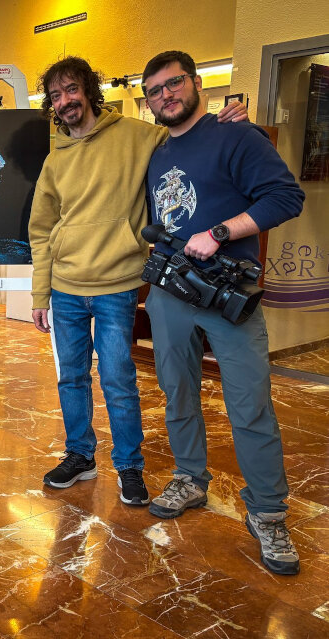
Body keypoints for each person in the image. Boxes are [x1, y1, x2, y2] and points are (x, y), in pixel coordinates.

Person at [28, 56, 246, 506]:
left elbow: (189, 134)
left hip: (116, 285)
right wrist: (40, 291)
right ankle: (80, 456)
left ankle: (129, 466)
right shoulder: (54, 161)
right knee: (71, 379)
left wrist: (234, 121)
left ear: (88, 90)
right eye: (55, 96)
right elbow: (41, 231)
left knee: (118, 379)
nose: (65, 101)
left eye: (71, 90)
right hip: (66, 287)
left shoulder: (137, 135)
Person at [142, 51, 304, 575]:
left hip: (227, 295)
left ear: (196, 85)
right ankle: (190, 477)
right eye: (154, 91)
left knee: (250, 403)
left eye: (174, 84)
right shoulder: (157, 152)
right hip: (170, 294)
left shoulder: (237, 136)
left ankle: (268, 511)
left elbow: (285, 197)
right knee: (177, 391)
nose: (165, 95)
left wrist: (219, 234)